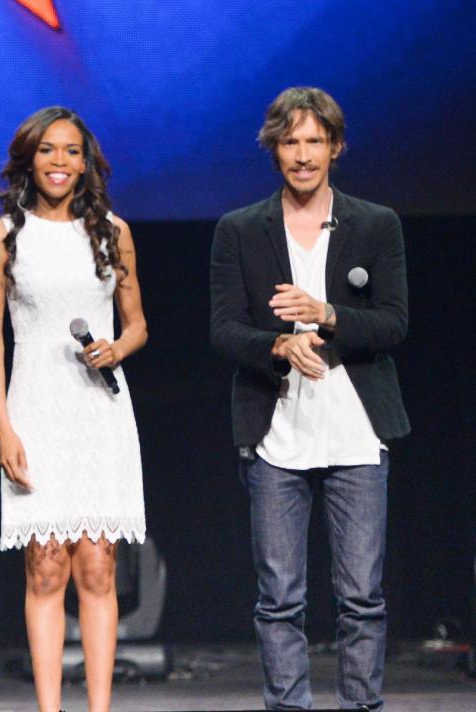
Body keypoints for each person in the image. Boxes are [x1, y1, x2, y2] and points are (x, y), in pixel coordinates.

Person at [209, 86, 409, 710]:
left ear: (336, 147)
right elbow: (224, 330)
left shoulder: (376, 224)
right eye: (290, 141)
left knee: (361, 599)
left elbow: (394, 323)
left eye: (314, 141)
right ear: (274, 150)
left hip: (355, 430)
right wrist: (277, 346)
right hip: (276, 437)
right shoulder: (239, 229)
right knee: (279, 600)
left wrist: (327, 315)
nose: (302, 154)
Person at [0, 106, 147, 712]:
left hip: (98, 414)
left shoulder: (113, 231)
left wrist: (116, 348)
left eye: (71, 151)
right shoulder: (4, 235)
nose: (59, 161)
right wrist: (3, 427)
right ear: (29, 158)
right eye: (48, 150)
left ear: (86, 161)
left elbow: (138, 326)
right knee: (46, 571)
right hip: (36, 412)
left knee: (98, 569)